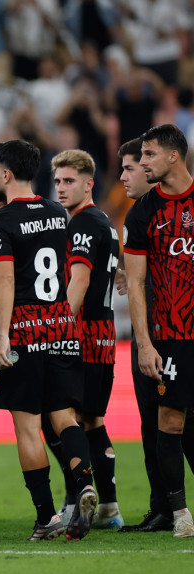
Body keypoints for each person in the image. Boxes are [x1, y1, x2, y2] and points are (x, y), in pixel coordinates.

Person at [0, 139, 97, 542]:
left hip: (25, 327)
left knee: (28, 427)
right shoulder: (56, 213)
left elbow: (6, 276)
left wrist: (1, 337)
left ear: (6, 174)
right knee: (63, 415)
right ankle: (83, 480)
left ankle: (47, 516)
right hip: (61, 324)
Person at [123, 124, 194, 538]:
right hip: (169, 336)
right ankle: (180, 514)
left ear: (173, 156)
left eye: (148, 154)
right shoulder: (143, 212)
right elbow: (134, 284)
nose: (142, 161)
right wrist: (144, 345)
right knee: (168, 421)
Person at [49, 149, 121, 529]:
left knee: (63, 419)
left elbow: (79, 280)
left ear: (89, 183)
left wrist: (58, 327)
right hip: (105, 336)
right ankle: (109, 508)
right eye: (58, 181)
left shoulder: (80, 224)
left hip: (79, 334)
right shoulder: (105, 222)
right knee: (93, 419)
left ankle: (78, 498)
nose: (61, 188)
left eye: (69, 181)